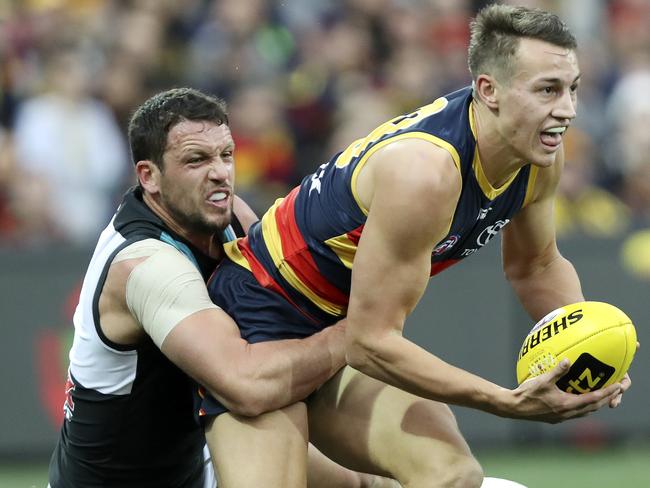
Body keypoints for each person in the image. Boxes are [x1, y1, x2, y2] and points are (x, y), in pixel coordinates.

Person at [198, 5, 634, 488]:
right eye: (548, 90)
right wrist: (503, 400)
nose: (568, 109)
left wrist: (587, 347)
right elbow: (370, 342)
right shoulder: (425, 173)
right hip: (257, 326)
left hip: (338, 335)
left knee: (452, 477)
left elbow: (536, 266)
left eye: (572, 88)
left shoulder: (536, 152)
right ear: (489, 90)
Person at [47, 87, 397, 488]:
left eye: (225, 155)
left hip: (193, 465)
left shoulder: (227, 217)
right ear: (149, 176)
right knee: (258, 397)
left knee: (371, 483)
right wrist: (361, 328)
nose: (220, 172)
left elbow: (299, 308)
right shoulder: (145, 266)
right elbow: (246, 386)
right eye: (196, 159)